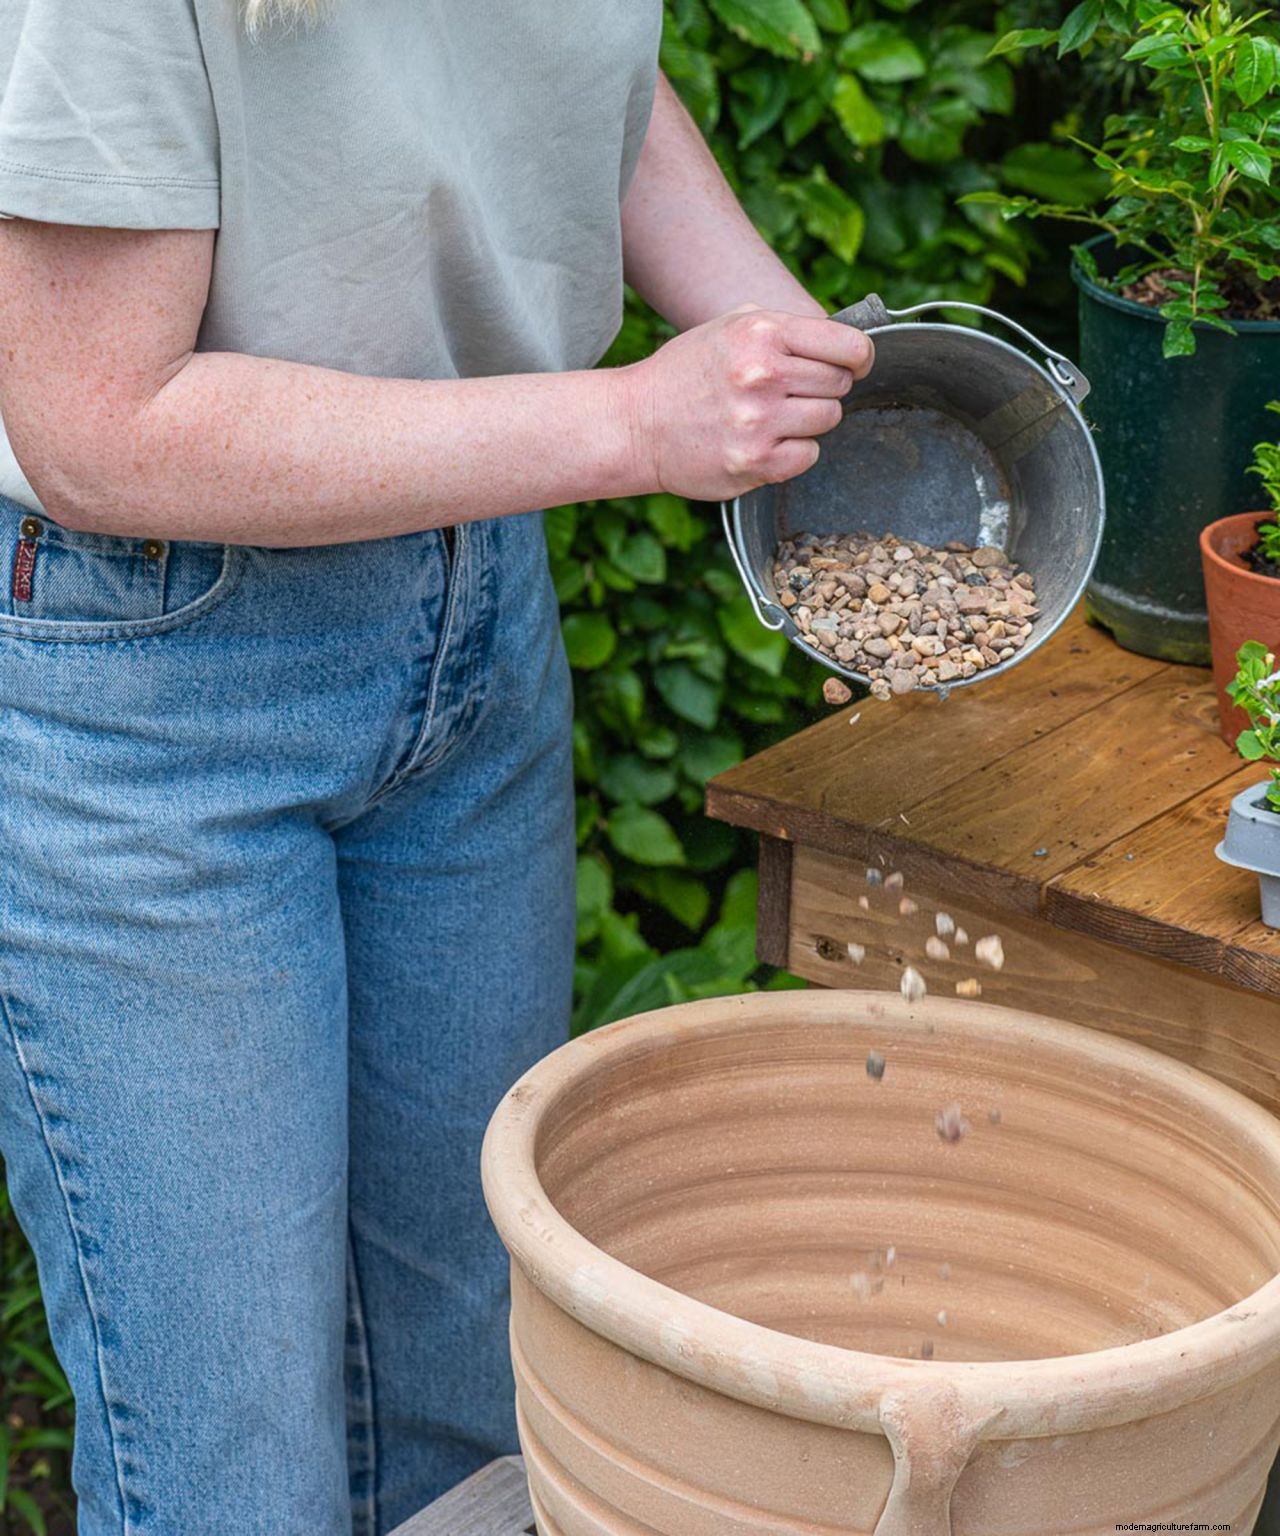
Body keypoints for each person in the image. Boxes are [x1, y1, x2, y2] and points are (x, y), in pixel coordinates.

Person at [0, 2, 874, 1532]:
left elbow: (567, 66)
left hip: (472, 613)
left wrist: (807, 382)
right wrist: (631, 422)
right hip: (149, 686)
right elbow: (99, 427)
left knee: (478, 1417)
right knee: (237, 1478)